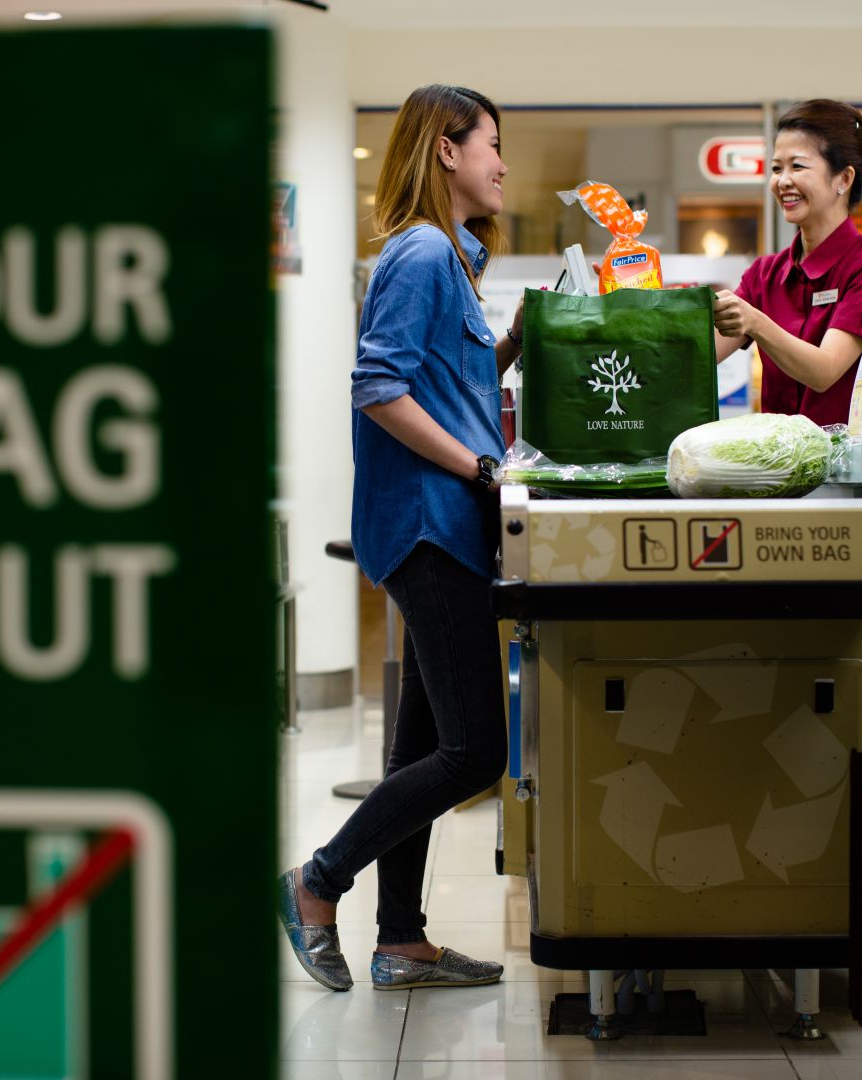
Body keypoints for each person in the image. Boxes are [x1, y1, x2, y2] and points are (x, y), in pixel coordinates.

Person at [278, 84, 521, 993]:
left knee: (419, 750)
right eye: (492, 143)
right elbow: (378, 388)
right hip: (430, 528)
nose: (503, 163)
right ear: (447, 151)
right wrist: (477, 469)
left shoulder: (451, 262)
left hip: (438, 527)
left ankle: (402, 938)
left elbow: (438, 382)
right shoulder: (422, 251)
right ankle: (315, 882)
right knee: (474, 754)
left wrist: (513, 348)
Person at [711, 99, 862, 425]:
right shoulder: (763, 275)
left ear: (844, 179)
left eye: (797, 167)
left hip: (849, 472)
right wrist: (636, 295)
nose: (782, 181)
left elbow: (824, 370)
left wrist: (756, 322)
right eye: (776, 168)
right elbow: (702, 355)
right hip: (780, 469)